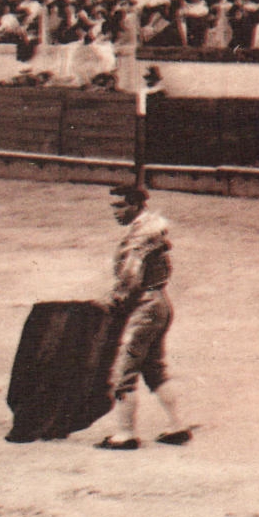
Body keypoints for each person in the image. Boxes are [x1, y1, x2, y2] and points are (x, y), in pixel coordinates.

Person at [96, 185, 191, 450]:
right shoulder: (150, 230)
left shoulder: (141, 236)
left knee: (124, 368)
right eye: (113, 206)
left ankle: (125, 434)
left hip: (145, 306)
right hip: (159, 303)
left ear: (137, 205)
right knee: (153, 368)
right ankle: (177, 426)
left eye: (120, 206)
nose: (115, 212)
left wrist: (111, 301)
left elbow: (130, 278)